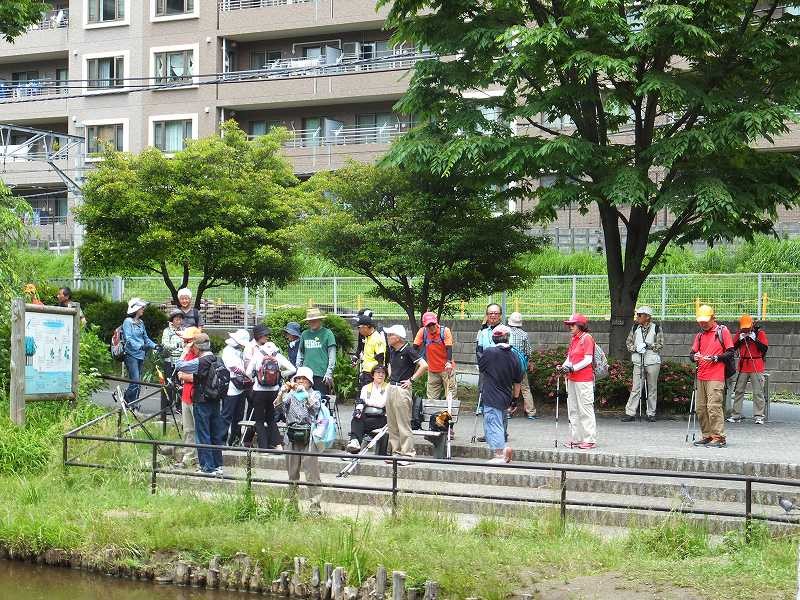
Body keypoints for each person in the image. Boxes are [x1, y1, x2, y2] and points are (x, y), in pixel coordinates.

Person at [176, 333, 226, 475]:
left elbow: (180, 365)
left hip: (202, 401)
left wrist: (185, 350)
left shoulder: (201, 362)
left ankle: (207, 467)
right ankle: (218, 465)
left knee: (203, 434)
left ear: (197, 347)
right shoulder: (218, 359)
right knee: (215, 433)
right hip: (216, 401)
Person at [690, 304, 734, 448]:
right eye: (700, 321)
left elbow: (730, 352)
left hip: (716, 375)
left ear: (713, 318)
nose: (702, 323)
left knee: (713, 406)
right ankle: (707, 436)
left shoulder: (723, 331)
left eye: (705, 321)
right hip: (701, 375)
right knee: (701, 408)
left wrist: (715, 358)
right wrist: (694, 356)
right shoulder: (700, 335)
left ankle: (719, 437)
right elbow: (691, 354)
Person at [384, 324, 428, 464]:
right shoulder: (392, 350)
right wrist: (391, 377)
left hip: (402, 390)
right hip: (392, 387)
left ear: (397, 338)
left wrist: (411, 380)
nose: (388, 337)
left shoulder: (408, 350)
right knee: (392, 423)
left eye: (390, 335)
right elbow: (390, 365)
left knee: (403, 423)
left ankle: (408, 454)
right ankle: (396, 453)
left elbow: (424, 365)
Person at [478, 325, 521, 463]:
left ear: (494, 338)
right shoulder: (514, 356)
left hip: (491, 394)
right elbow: (517, 381)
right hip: (506, 396)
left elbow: (482, 368)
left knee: (492, 423)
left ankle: (500, 453)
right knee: (500, 423)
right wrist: (515, 400)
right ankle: (501, 449)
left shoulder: (489, 352)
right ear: (508, 338)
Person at [281, 366, 323, 511]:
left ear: (310, 382)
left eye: (303, 379)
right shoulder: (291, 394)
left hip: (309, 436)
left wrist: (305, 394)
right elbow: (279, 408)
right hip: (291, 435)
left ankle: (315, 507)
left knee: (312, 474)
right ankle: (292, 505)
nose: (300, 381)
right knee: (292, 473)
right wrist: (282, 392)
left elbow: (316, 408)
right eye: (298, 378)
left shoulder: (315, 394)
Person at [245, 338, 296, 449]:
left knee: (259, 420)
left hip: (259, 392)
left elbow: (248, 372)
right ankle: (278, 444)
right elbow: (293, 369)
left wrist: (254, 379)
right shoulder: (278, 356)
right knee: (271, 419)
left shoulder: (258, 355)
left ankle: (263, 447)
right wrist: (281, 374)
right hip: (274, 392)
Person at [557, 313, 597, 450]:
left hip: (584, 379)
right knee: (573, 409)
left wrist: (572, 368)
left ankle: (589, 439)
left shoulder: (587, 338)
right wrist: (563, 367)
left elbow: (588, 359)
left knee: (585, 408)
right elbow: (569, 357)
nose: (570, 327)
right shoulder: (574, 339)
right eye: (569, 324)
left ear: (580, 325)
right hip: (573, 378)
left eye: (572, 324)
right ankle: (576, 438)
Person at [622, 306, 664, 423]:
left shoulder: (656, 328)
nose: (637, 317)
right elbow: (628, 342)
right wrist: (636, 348)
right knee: (636, 388)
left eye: (640, 315)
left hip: (652, 362)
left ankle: (651, 413)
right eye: (638, 314)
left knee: (652, 388)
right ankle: (630, 412)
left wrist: (648, 345)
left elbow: (660, 345)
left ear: (647, 317)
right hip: (638, 361)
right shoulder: (635, 327)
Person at [728, 314, 769, 425]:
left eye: (747, 327)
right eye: (744, 328)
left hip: (756, 364)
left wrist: (754, 339)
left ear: (752, 325)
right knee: (739, 390)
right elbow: (732, 348)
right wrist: (741, 339)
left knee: (758, 391)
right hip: (743, 365)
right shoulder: (739, 334)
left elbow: (764, 349)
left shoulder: (760, 333)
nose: (745, 329)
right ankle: (736, 415)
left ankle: (759, 415)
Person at [346, 364, 389, 454]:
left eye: (383, 373)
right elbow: (361, 402)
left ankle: (354, 443)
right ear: (373, 375)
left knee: (360, 424)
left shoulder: (388, 387)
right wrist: (359, 410)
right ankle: (355, 442)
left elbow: (382, 403)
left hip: (381, 417)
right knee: (356, 418)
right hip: (367, 414)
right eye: (378, 372)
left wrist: (369, 402)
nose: (381, 375)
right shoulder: (366, 388)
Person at [413, 312, 456, 403]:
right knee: (431, 400)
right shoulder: (422, 332)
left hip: (446, 369)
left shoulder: (445, 331)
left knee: (450, 397)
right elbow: (415, 348)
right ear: (425, 325)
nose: (431, 327)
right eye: (428, 325)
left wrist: (448, 362)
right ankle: (433, 417)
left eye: (433, 324)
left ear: (436, 322)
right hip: (432, 370)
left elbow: (449, 348)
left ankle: (450, 416)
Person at [122, 297, 158, 405]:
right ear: (136, 309)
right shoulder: (127, 322)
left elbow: (146, 338)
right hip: (131, 355)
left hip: (141, 355)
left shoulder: (141, 322)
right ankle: (127, 400)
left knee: (138, 381)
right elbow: (128, 338)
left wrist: (155, 346)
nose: (143, 309)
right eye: (142, 307)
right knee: (136, 380)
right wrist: (140, 346)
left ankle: (134, 404)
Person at [175, 326, 202, 467]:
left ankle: (199, 458)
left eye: (187, 341)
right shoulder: (188, 354)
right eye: (184, 341)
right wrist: (185, 376)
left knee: (199, 429)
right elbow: (178, 369)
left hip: (197, 397)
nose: (185, 343)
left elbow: (198, 377)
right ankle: (188, 457)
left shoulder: (201, 355)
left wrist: (185, 376)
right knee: (188, 430)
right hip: (186, 396)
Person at [221, 329, 251, 446]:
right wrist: (247, 374)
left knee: (238, 416)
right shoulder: (228, 351)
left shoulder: (238, 351)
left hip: (240, 387)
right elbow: (234, 368)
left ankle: (235, 440)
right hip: (231, 388)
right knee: (227, 415)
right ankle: (221, 441)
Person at [296, 307, 337, 394]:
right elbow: (300, 354)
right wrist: (298, 371)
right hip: (305, 374)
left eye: (315, 320)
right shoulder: (304, 334)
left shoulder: (328, 333)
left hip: (321, 374)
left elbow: (332, 354)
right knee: (303, 399)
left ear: (320, 320)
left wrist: (329, 373)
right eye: (310, 321)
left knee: (320, 400)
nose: (312, 322)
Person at [506, 312, 535, 419]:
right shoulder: (524, 334)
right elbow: (528, 351)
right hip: (520, 365)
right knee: (525, 388)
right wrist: (530, 361)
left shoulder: (506, 332)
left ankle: (508, 411)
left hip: (507, 364)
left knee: (508, 387)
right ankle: (530, 412)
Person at [160, 309, 185, 420]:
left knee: (181, 383)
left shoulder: (184, 330)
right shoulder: (167, 331)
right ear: (172, 320)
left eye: (180, 319)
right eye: (176, 319)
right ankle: (168, 406)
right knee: (169, 384)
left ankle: (180, 406)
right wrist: (178, 345)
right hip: (170, 361)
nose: (179, 321)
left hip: (181, 361)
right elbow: (165, 345)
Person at [356, 313, 387, 387]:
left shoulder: (376, 339)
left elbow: (381, 358)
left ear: (366, 327)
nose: (359, 330)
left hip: (372, 375)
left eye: (359, 328)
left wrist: (378, 377)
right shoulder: (368, 337)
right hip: (366, 372)